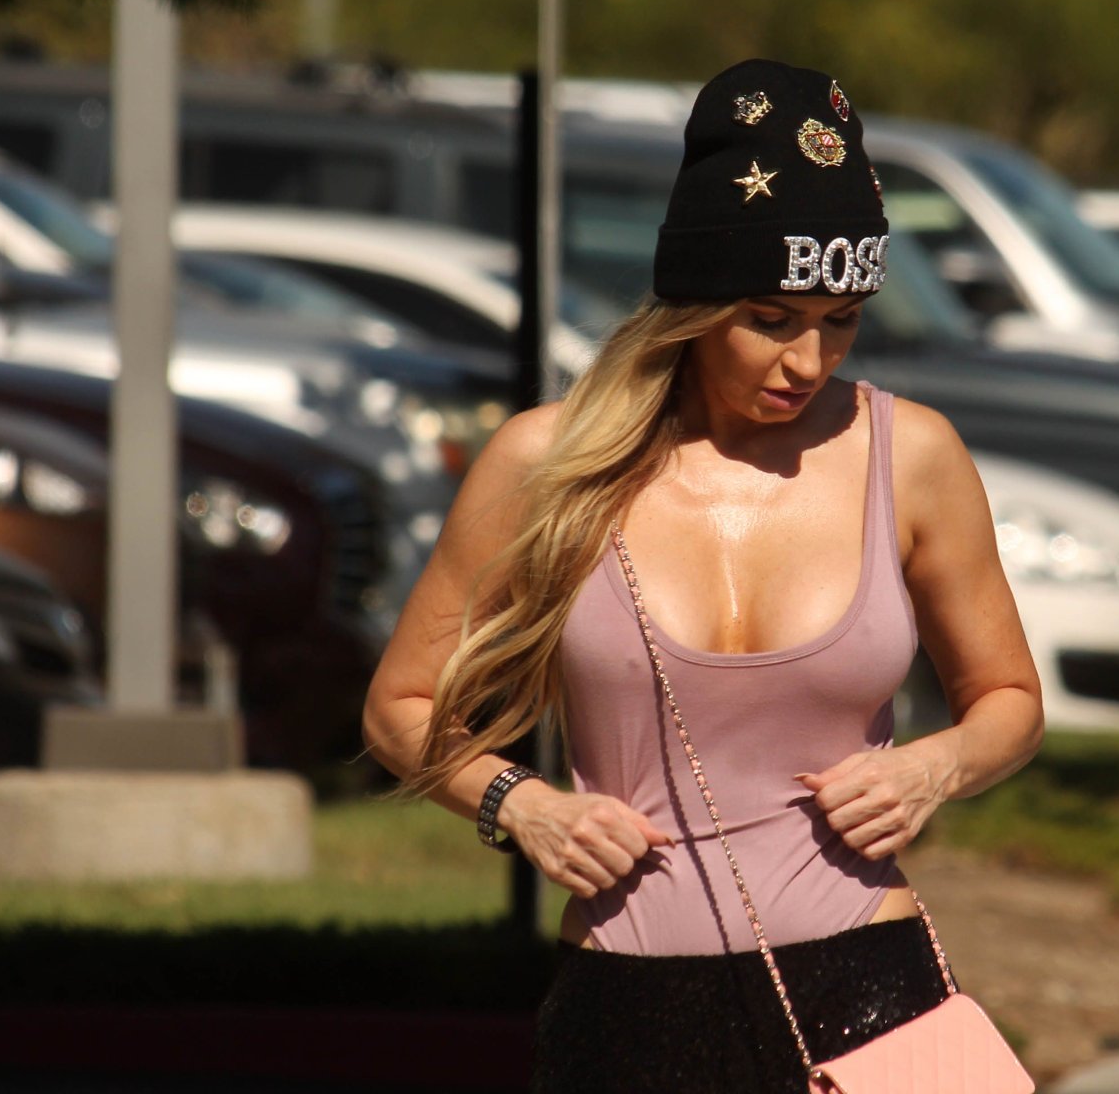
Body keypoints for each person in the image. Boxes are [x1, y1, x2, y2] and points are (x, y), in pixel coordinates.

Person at [362, 58, 1043, 1092]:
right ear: (693, 301)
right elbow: (400, 706)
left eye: (841, 319)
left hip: (871, 988)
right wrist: (524, 804)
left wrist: (932, 767)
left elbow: (1009, 699)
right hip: (625, 1013)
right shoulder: (548, 462)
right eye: (771, 317)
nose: (808, 362)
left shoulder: (911, 456)